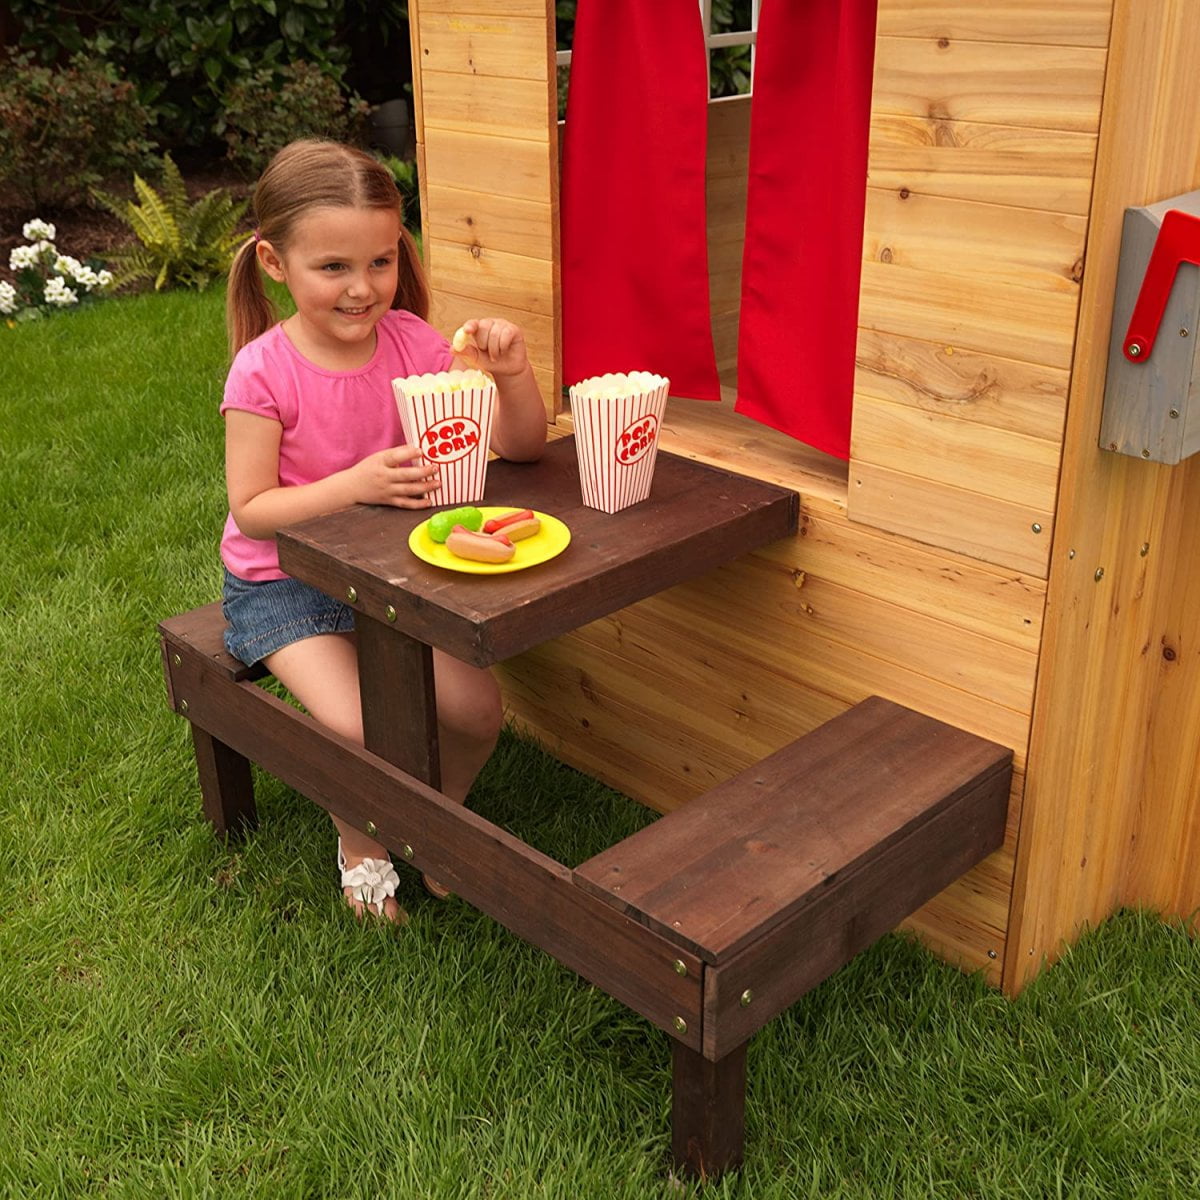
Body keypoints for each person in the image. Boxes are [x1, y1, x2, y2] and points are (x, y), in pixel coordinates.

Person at [220, 139, 547, 923]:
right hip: (284, 586)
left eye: (380, 262)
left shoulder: (415, 345)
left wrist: (512, 376)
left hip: (396, 578)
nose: (362, 288)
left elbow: (524, 447)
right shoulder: (264, 372)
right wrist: (352, 486)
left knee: (475, 711)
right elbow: (252, 507)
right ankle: (363, 849)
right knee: (356, 726)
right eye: (333, 267)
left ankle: (430, 820)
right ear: (274, 262)